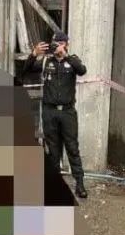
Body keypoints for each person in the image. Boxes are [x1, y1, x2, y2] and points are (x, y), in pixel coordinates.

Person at [24, 31, 89, 198]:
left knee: (72, 148)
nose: (57, 46)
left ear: (66, 44)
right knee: (53, 150)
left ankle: (80, 184)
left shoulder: (72, 60)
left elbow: (82, 70)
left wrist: (65, 55)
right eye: (55, 43)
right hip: (50, 111)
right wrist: (34, 54)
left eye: (60, 43)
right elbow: (26, 69)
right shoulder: (46, 61)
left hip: (67, 112)